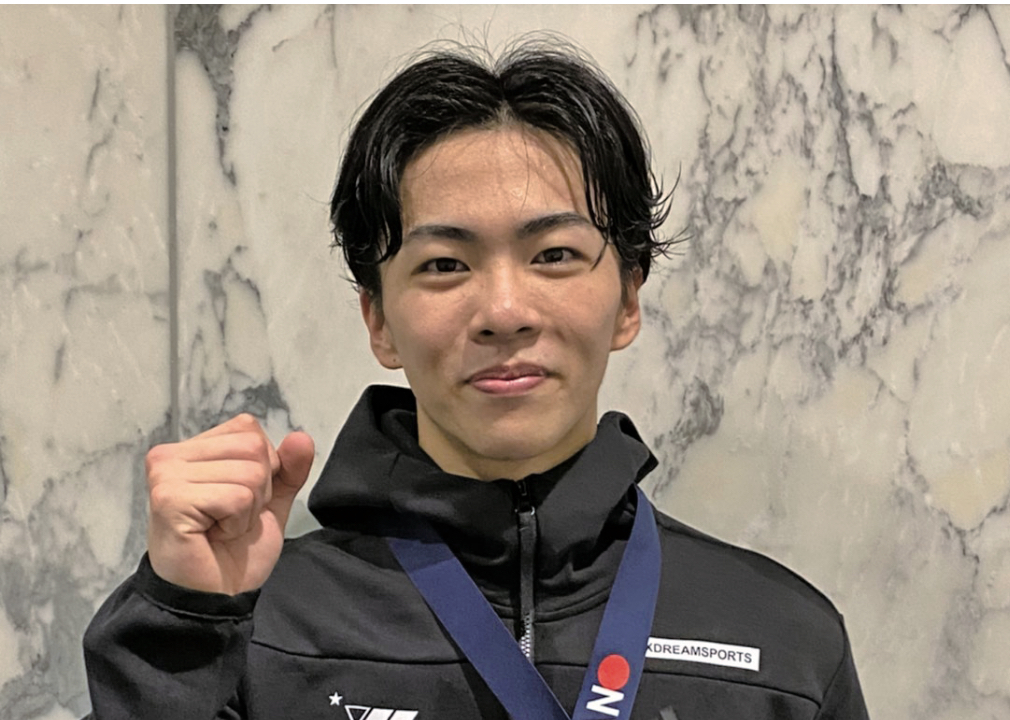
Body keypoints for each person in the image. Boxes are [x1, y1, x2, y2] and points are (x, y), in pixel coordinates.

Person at [83, 41, 870, 720]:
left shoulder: (784, 643)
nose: (503, 311)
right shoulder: (255, 629)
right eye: (444, 265)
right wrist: (179, 631)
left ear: (628, 298)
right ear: (378, 320)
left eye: (554, 254)